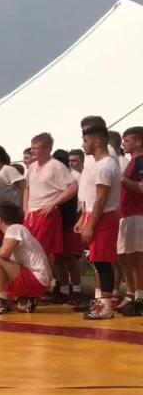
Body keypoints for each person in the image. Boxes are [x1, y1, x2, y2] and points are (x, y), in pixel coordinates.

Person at [23, 133, 79, 301]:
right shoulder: (32, 167)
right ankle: (48, 286)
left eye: (36, 148)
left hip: (46, 214)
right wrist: (26, 208)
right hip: (32, 213)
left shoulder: (56, 166)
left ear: (47, 149)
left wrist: (53, 203)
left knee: (39, 252)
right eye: (32, 147)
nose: (33, 151)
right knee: (29, 251)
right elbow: (27, 188)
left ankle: (40, 289)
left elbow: (73, 187)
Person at [78, 116, 122, 320]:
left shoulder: (105, 165)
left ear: (97, 141)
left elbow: (101, 199)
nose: (83, 145)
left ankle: (106, 307)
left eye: (85, 141)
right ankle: (103, 303)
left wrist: (90, 225)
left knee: (103, 261)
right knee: (98, 261)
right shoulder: (100, 164)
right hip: (98, 216)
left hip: (104, 217)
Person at [0, 203, 53, 315]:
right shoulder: (17, 231)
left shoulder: (14, 228)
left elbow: (4, 253)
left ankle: (1, 303)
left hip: (36, 278)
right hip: (35, 280)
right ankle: (22, 301)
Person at [118, 126, 143, 316]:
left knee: (137, 257)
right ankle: (134, 294)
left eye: (126, 140)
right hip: (127, 214)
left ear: (139, 142)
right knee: (126, 256)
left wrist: (122, 180)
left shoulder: (141, 161)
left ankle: (140, 298)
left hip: (137, 214)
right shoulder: (132, 161)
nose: (123, 144)